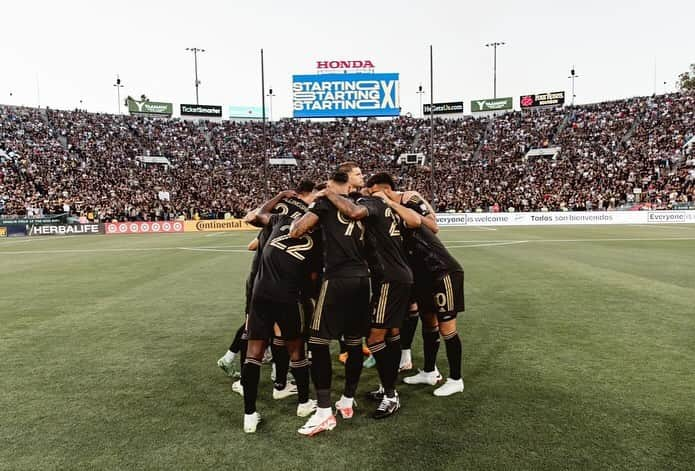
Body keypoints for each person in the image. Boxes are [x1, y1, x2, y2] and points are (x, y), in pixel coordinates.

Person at [319, 172, 421, 418]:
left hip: (389, 278)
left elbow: (354, 213)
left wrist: (329, 193)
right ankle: (386, 386)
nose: (361, 191)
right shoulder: (387, 207)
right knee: (390, 334)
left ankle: (390, 395)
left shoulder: (372, 202)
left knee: (374, 339)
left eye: (365, 188)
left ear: (375, 188)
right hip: (397, 276)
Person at [289, 171, 371, 436]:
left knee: (318, 341)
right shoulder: (359, 203)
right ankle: (347, 400)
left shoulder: (324, 202)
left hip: (337, 279)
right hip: (362, 278)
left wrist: (316, 202)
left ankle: (324, 412)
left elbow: (296, 230)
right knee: (354, 341)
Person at [239, 187, 320, 433]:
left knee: (254, 353)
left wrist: (280, 197)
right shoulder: (319, 240)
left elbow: (256, 215)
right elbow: (314, 278)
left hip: (260, 295)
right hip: (288, 297)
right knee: (296, 350)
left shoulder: (279, 220)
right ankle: (304, 403)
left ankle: (249, 415)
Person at [378, 180, 465, 397]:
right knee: (429, 323)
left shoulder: (408, 206)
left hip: (441, 271)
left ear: (385, 190)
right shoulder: (392, 218)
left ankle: (456, 379)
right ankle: (429, 371)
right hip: (423, 276)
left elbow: (430, 225)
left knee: (447, 328)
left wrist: (388, 201)